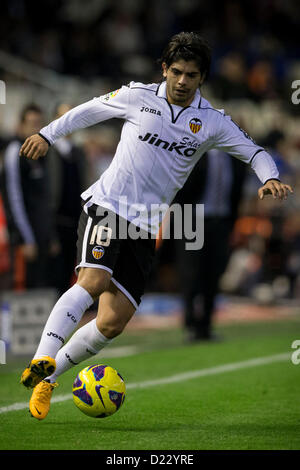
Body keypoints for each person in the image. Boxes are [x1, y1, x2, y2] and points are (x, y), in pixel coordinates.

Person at [19, 32, 293, 420]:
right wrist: (47, 134)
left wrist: (268, 177)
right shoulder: (137, 96)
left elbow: (254, 151)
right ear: (164, 69)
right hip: (108, 206)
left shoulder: (212, 122)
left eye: (192, 75)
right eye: (177, 72)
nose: (182, 81)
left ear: (202, 78)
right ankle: (41, 357)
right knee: (93, 281)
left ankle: (48, 379)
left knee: (112, 323)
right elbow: (87, 111)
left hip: (145, 227)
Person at [175, 149, 246, 341]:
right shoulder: (194, 154)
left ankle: (206, 324)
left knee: (214, 273)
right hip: (191, 219)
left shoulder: (234, 159)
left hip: (220, 221)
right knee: (190, 273)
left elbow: (236, 192)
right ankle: (190, 323)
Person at [1, 104, 58, 289]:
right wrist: (25, 239)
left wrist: (50, 236)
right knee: (22, 290)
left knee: (42, 290)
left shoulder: (41, 154)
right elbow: (13, 200)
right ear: (21, 125)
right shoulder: (14, 152)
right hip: (26, 240)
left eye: (39, 124)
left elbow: (45, 200)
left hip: (42, 238)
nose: (36, 128)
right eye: (32, 123)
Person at [47, 103, 88, 295]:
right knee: (51, 273)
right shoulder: (48, 151)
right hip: (54, 222)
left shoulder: (79, 153)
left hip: (76, 222)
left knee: (68, 273)